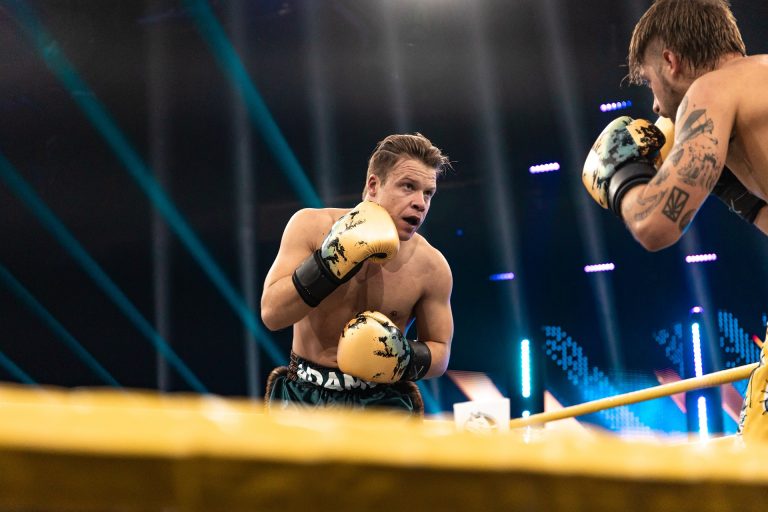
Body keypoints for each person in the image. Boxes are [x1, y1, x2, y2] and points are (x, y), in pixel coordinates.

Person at [582, 0, 767, 443]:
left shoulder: (711, 90)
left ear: (670, 61)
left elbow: (655, 226)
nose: (655, 105)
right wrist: (737, 194)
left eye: (649, 81)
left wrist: (622, 173)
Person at [260, 133, 453, 415]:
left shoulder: (432, 266)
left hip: (384, 402)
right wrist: (328, 262)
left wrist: (402, 357)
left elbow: (441, 351)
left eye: (428, 193)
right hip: (305, 396)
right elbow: (272, 314)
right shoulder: (311, 227)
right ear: (373, 185)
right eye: (408, 186)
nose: (420, 203)